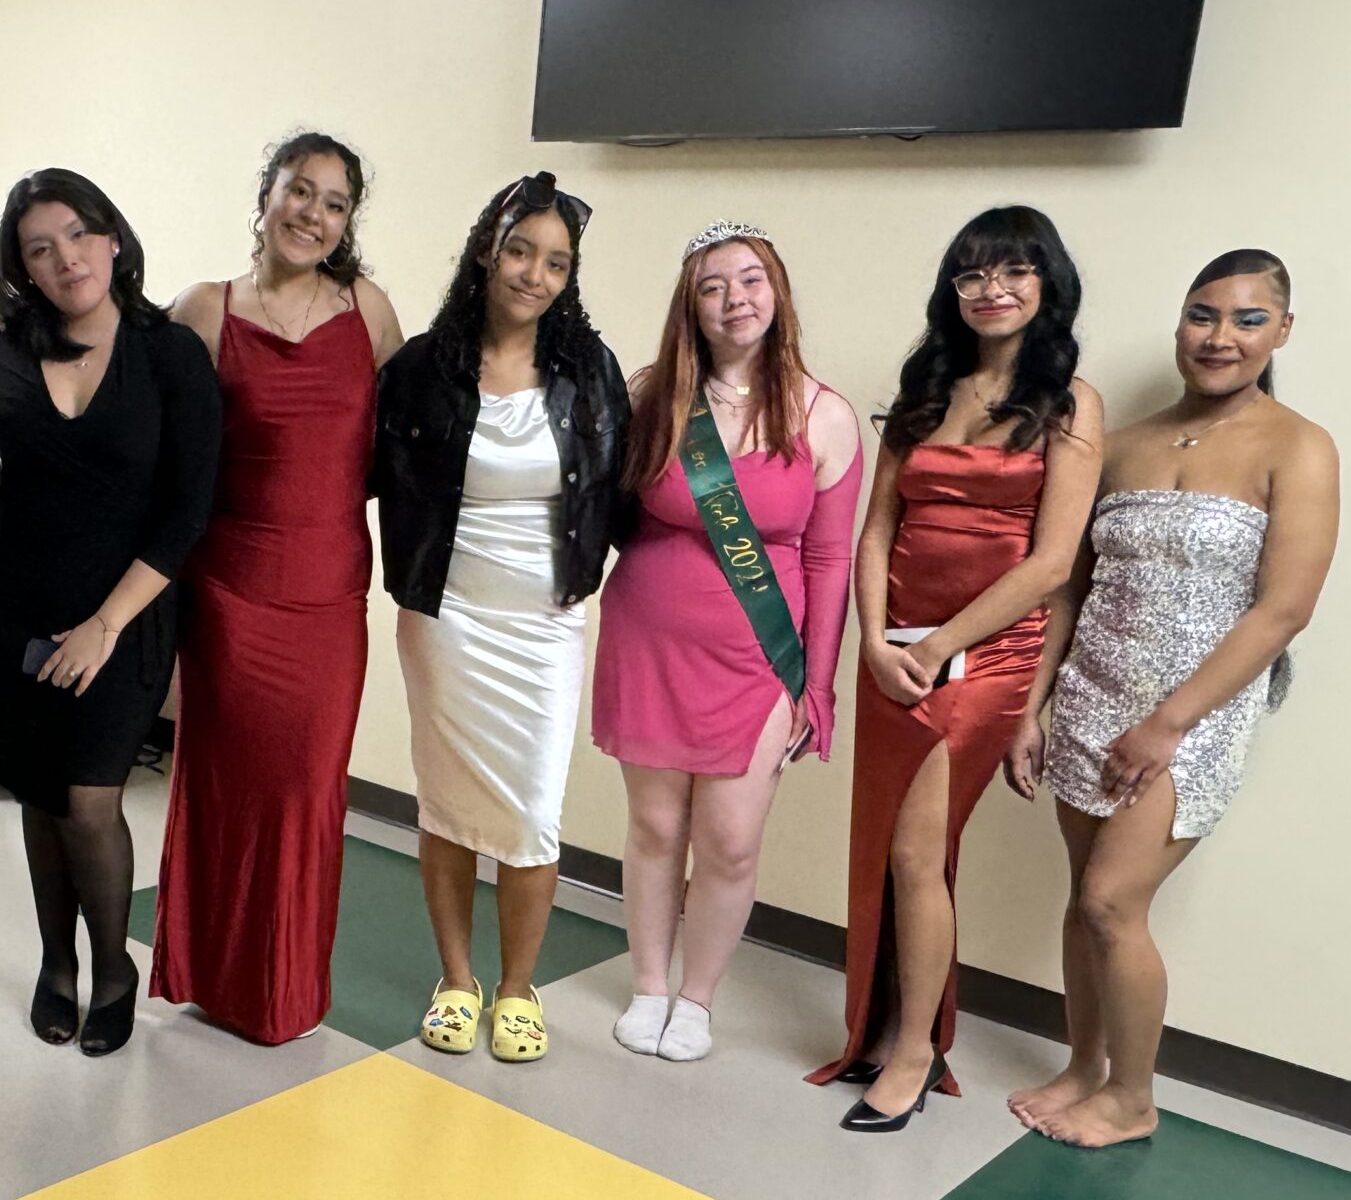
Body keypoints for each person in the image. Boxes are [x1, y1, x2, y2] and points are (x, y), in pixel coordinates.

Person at [1005, 250, 1336, 1147]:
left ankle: (1134, 1097)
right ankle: (1083, 1067)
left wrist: (1169, 722)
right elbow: (1069, 589)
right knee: (1084, 899)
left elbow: (1285, 609)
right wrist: (1033, 708)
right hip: (1090, 697)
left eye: (1246, 319)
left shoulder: (1298, 447)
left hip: (1194, 715)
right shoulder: (1123, 442)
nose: (1219, 337)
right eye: (1201, 315)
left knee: (1116, 901)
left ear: (1282, 330)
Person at [805, 205, 1104, 1131]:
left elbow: (1054, 564)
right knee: (887, 854)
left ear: (1047, 284)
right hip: (893, 651)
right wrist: (870, 638)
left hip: (985, 655)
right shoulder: (928, 388)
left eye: (1014, 270)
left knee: (916, 853)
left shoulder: (1071, 403)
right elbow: (879, 528)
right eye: (973, 274)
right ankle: (890, 1026)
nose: (992, 289)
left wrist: (937, 647)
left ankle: (916, 1049)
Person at [0, 169, 221, 1058]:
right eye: (39, 248)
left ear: (114, 240)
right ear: (21, 268)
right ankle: (55, 965)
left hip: (123, 616)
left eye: (78, 235)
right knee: (37, 791)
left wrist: (104, 626)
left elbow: (187, 510)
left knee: (91, 800)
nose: (65, 259)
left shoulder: (169, 354)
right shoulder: (0, 356)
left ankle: (113, 968)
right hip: (14, 606)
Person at [148, 132, 405, 1044]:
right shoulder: (204, 311)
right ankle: (212, 976)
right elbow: (155, 452)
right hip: (228, 593)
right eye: (300, 191)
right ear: (265, 196)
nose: (313, 213)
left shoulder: (369, 313)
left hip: (329, 593)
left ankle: (284, 991)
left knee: (306, 787)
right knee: (222, 784)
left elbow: (399, 454)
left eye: (334, 203)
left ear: (345, 225)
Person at [373, 171, 629, 1065]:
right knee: (445, 805)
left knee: (532, 810)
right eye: (521, 250)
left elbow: (624, 489)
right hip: (447, 615)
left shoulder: (589, 369)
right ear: (488, 250)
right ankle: (455, 976)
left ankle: (518, 988)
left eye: (556, 262)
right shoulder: (419, 369)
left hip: (546, 621)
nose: (534, 273)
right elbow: (358, 474)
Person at [593, 222, 863, 1062]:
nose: (733, 299)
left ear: (776, 294)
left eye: (750, 281)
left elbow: (828, 557)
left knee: (733, 839)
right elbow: (601, 510)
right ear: (691, 305)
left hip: (759, 658)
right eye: (713, 286)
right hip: (650, 639)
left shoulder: (827, 416)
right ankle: (647, 984)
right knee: (654, 826)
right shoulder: (652, 396)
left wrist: (814, 685)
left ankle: (697, 999)